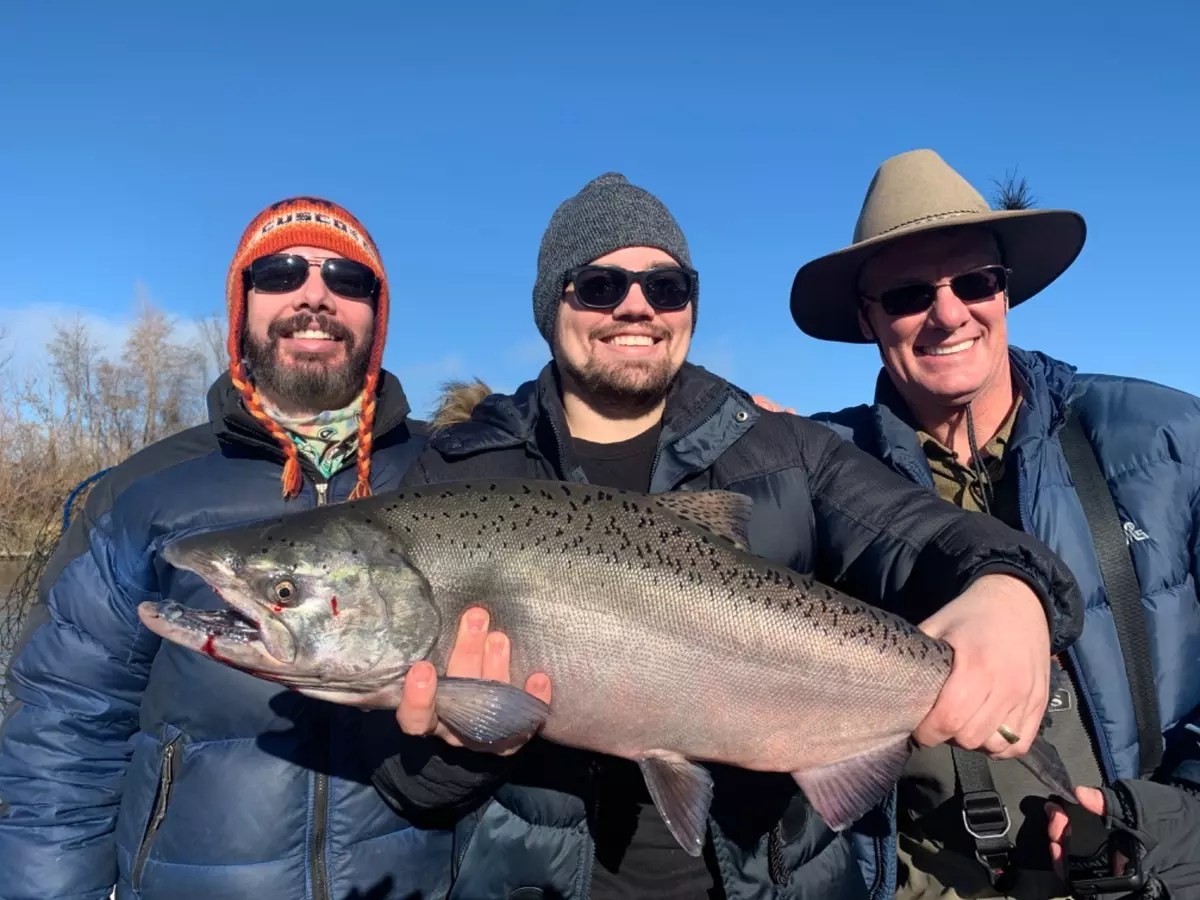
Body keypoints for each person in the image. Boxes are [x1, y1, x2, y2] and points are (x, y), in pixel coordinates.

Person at [369, 172, 1085, 899]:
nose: (636, 307)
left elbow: (922, 532)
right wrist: (465, 747)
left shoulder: (790, 451)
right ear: (550, 307)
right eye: (600, 287)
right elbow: (404, 789)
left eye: (666, 288)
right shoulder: (457, 475)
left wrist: (1008, 587)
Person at [0, 197, 448, 899]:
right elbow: (62, 730)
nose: (315, 296)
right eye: (280, 273)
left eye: (347, 279)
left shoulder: (448, 472)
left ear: (376, 314)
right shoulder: (144, 490)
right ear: (242, 306)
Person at [790, 149, 1200, 898]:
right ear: (867, 319)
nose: (949, 314)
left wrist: (1168, 819)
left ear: (1006, 292)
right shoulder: (808, 473)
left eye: (975, 282)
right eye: (909, 295)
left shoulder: (1166, 438)